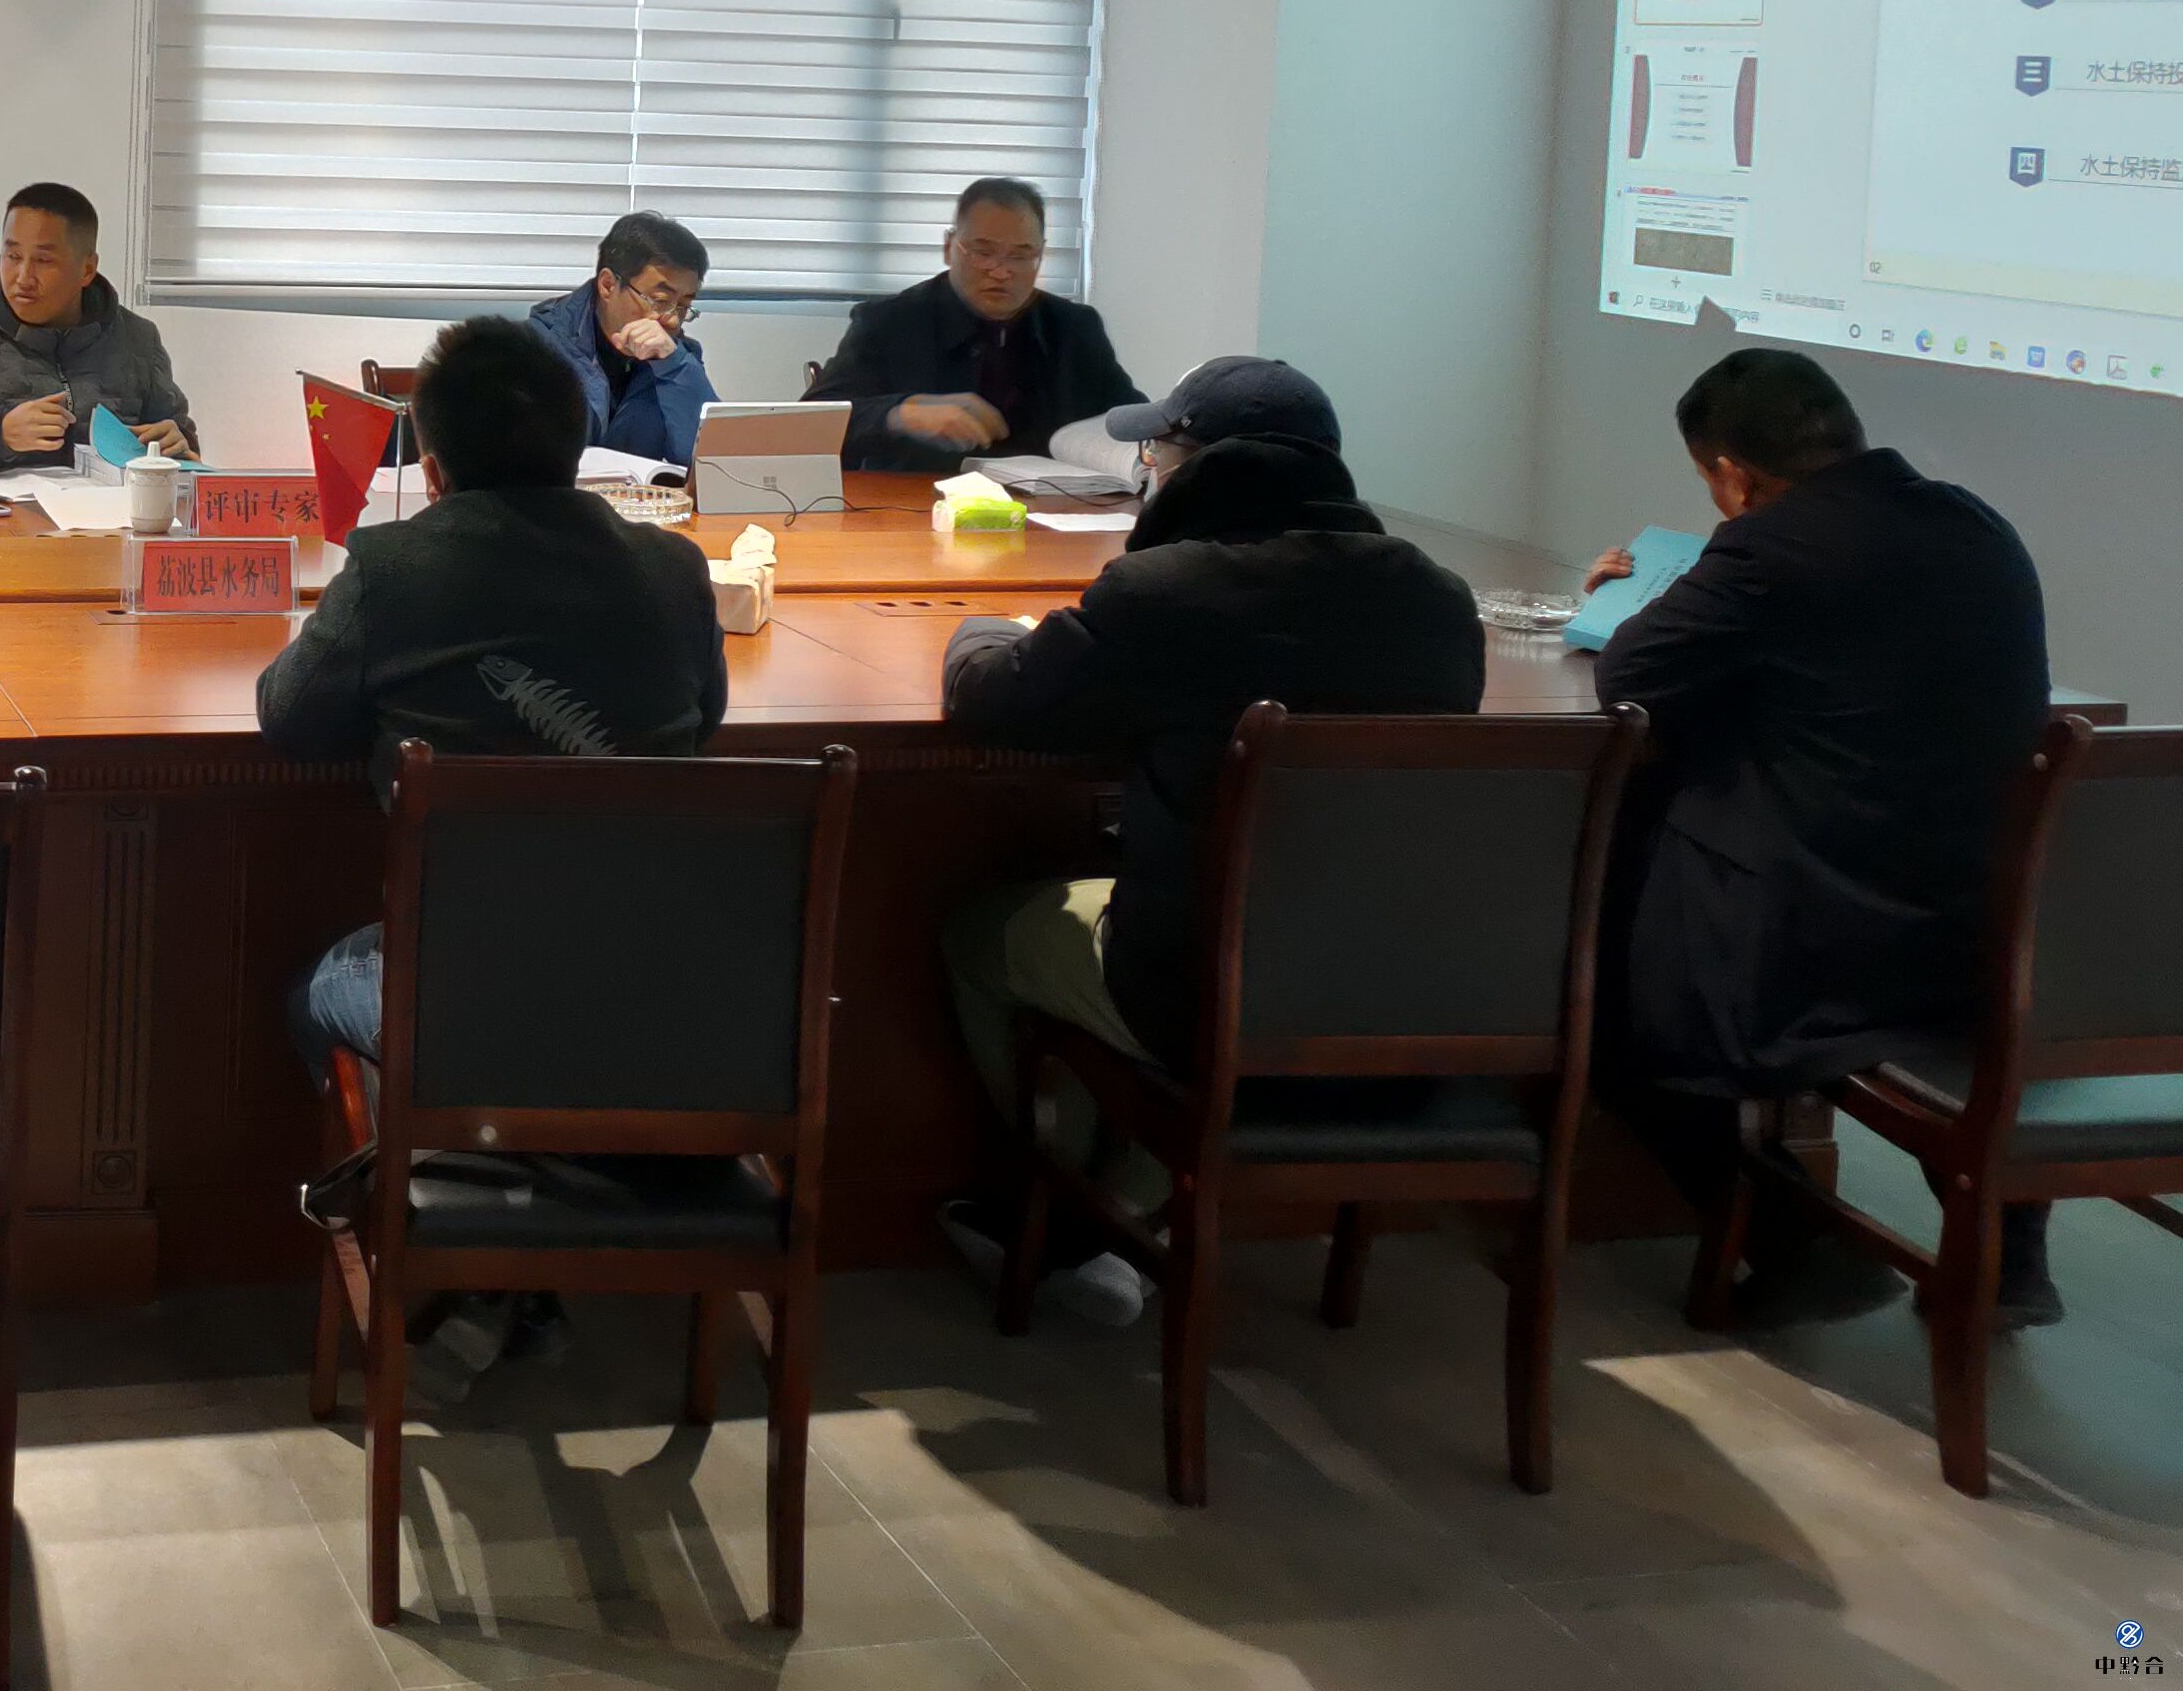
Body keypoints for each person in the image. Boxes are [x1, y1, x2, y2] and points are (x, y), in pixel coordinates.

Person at [931, 357, 1483, 1324]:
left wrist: (979, 628)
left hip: (1205, 998)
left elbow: (995, 701)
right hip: (1406, 992)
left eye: (1156, 451)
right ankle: (1130, 1212)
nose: (1148, 467)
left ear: (1195, 464)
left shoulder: (1168, 591)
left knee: (983, 933)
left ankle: (1069, 1223)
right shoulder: (1437, 600)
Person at [259, 313, 728, 1392]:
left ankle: (472, 1252)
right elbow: (701, 724)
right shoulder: (672, 570)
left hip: (468, 1007)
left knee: (318, 988)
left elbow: (288, 718)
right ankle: (529, 1236)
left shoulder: (396, 568)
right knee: (541, 997)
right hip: (667, 1007)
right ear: (579, 448)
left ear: (431, 469)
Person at [1588, 348, 2055, 1328]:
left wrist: (1651, 589)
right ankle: (2007, 1259)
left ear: (1730, 475)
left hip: (1819, 938)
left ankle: (1797, 1244)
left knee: (1602, 1006)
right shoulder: (1977, 527)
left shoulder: (1768, 549)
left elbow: (1628, 678)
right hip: (1982, 929)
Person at [807, 177, 1143, 472]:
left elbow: (1128, 419)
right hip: (914, 504)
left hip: (1051, 510)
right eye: (983, 252)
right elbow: (810, 422)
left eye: (1020, 255)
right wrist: (901, 413)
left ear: (1040, 255)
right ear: (949, 247)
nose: (1001, 271)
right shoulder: (889, 322)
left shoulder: (1074, 327)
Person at [0, 182, 197, 472]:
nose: (23, 277)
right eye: (13, 256)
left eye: (43, 261)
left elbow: (182, 445)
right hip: (0, 517)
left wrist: (177, 444)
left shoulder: (138, 340)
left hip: (113, 516)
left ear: (87, 269)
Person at [524, 210, 719, 469]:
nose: (673, 321)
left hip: (642, 495)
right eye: (660, 300)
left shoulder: (679, 358)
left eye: (683, 306)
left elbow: (708, 461)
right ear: (608, 285)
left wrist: (674, 366)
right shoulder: (536, 347)